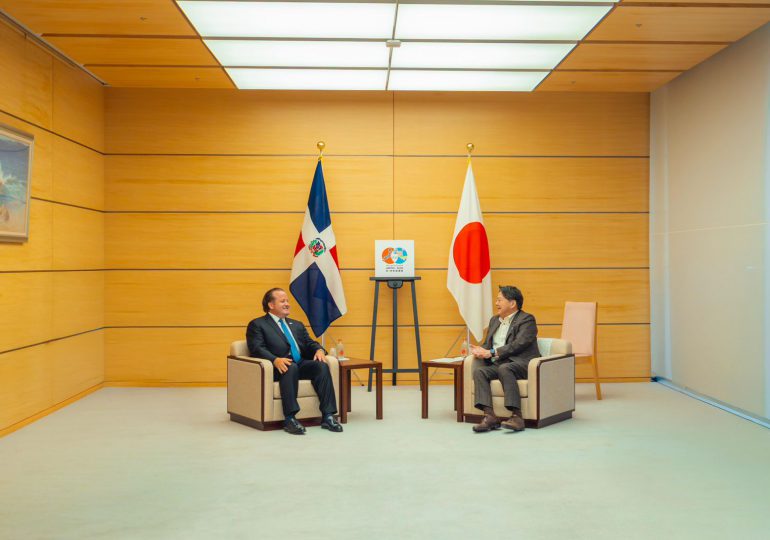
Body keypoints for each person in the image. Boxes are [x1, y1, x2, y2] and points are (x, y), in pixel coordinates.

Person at [246, 288, 342, 435]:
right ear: (271, 305)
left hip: (299, 364)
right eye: (282, 301)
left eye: (287, 301)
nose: (287, 304)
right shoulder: (258, 324)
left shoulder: (296, 325)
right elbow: (257, 348)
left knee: (321, 366)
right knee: (290, 367)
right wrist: (274, 359)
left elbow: (309, 343)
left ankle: (328, 416)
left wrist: (319, 350)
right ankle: (290, 419)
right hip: (277, 367)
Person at [469, 286, 540, 433]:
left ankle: (517, 417)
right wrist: (480, 350)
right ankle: (490, 416)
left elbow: (518, 344)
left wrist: (492, 352)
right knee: (480, 372)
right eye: (496, 300)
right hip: (500, 363)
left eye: (499, 300)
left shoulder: (527, 320)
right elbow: (488, 344)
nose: (496, 303)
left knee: (505, 368)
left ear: (512, 303)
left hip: (521, 363)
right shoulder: (494, 320)